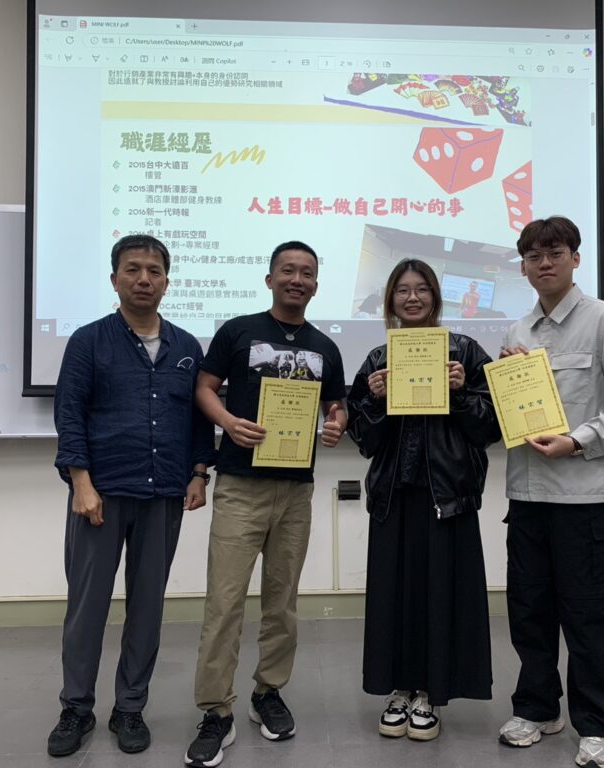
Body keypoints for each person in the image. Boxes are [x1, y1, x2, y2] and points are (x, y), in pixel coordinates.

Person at [49, 234, 216, 757]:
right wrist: (80, 481)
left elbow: (197, 419)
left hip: (163, 491)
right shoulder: (88, 341)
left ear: (167, 281)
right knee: (87, 608)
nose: (144, 279)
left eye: (154, 271)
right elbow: (69, 413)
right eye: (133, 269)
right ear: (115, 278)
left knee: (147, 607)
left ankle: (129, 708)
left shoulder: (186, 347)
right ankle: (76, 707)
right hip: (100, 492)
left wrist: (199, 473)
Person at [185, 241, 348, 768]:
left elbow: (336, 404)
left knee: (282, 602)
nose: (297, 279)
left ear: (316, 285)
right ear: (270, 278)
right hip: (240, 485)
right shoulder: (238, 331)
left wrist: (337, 422)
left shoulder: (325, 346)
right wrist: (227, 423)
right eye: (288, 270)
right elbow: (204, 388)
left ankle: (267, 692)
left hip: (296, 490)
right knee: (225, 602)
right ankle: (216, 710)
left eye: (307, 273)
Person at [496, 217, 604, 768]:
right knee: (529, 612)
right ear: (522, 267)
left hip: (586, 497)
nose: (544, 263)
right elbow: (512, 412)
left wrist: (577, 441)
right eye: (533, 256)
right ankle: (538, 709)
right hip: (528, 494)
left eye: (555, 252)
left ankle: (597, 723)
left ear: (575, 258)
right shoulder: (516, 332)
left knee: (589, 617)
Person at [347, 259, 499, 741]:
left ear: (435, 296)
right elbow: (363, 439)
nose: (412, 298)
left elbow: (491, 427)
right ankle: (398, 689)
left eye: (421, 289)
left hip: (448, 495)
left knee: (441, 595)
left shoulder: (465, 351)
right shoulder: (377, 359)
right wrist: (375, 401)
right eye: (402, 290)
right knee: (394, 596)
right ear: (390, 300)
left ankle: (431, 693)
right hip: (393, 496)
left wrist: (460, 392)